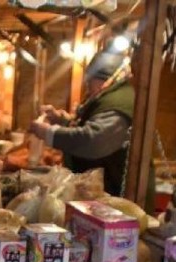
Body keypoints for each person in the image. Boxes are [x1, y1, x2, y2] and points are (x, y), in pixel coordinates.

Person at [28, 50, 151, 207]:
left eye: (89, 81)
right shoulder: (108, 96)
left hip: (118, 198)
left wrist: (48, 133)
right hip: (105, 196)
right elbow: (88, 124)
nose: (87, 86)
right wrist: (61, 119)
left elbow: (93, 140)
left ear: (103, 80)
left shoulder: (118, 103)